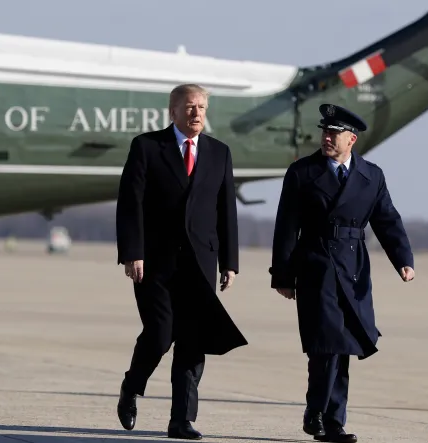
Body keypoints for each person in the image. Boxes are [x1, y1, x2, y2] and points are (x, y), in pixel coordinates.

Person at [270, 103, 415, 443]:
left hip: (353, 269)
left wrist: (403, 259)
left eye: (334, 134)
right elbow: (286, 227)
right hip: (316, 265)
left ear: (352, 139)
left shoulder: (371, 175)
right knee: (327, 344)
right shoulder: (303, 173)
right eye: (324, 132)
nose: (326, 138)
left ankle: (332, 421)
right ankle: (317, 413)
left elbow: (387, 219)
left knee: (344, 345)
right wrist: (282, 276)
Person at [114, 83, 248, 440]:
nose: (197, 113)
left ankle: (181, 420)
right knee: (160, 334)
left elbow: (226, 212)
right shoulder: (147, 147)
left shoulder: (219, 153)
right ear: (172, 112)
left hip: (200, 264)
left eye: (202, 107)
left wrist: (229, 262)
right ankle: (132, 386)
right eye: (189, 107)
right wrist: (132, 252)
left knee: (192, 341)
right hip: (155, 263)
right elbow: (131, 203)